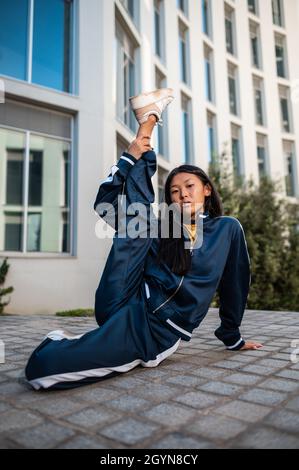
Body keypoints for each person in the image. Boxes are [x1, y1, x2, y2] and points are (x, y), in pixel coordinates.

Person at [24, 88, 262, 391]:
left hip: (155, 329)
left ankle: (148, 120)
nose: (182, 194)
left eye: (189, 186)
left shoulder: (227, 229)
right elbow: (104, 206)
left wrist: (232, 336)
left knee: (42, 371)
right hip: (121, 299)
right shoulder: (165, 227)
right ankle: (146, 128)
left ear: (206, 189)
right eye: (174, 191)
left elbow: (235, 284)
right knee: (141, 220)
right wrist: (129, 158)